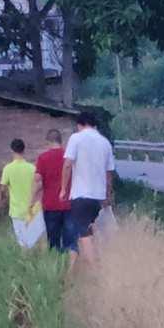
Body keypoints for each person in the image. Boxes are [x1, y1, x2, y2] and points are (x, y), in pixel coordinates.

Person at [60, 110, 115, 261]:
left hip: (81, 195)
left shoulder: (76, 138)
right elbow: (109, 173)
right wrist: (107, 195)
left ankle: (94, 268)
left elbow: (67, 165)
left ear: (80, 124)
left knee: (83, 233)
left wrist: (63, 189)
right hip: (99, 196)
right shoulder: (105, 143)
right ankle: (100, 262)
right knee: (94, 231)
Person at [0, 138, 43, 249]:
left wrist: (3, 197)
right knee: (33, 241)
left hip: (16, 211)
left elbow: (3, 189)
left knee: (22, 242)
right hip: (32, 210)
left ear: (12, 151)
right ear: (24, 150)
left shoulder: (8, 169)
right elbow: (39, 185)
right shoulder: (32, 168)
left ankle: (25, 262)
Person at [35, 127, 70, 253]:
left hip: (50, 205)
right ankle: (69, 264)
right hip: (68, 204)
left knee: (53, 240)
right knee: (69, 240)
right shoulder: (69, 157)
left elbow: (38, 179)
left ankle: (55, 265)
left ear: (48, 142)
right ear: (61, 141)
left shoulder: (43, 158)